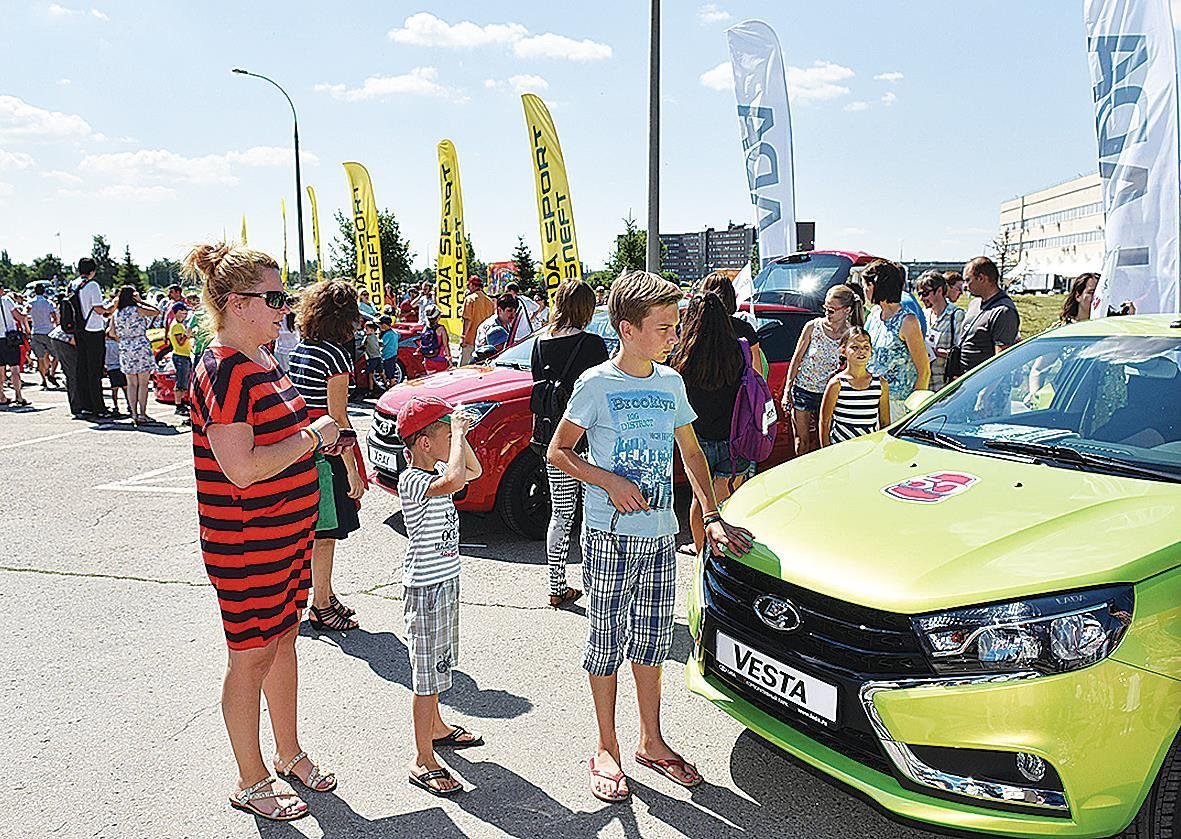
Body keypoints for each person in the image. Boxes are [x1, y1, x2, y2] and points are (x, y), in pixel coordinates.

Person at [547, 270, 754, 803]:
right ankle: (606, 746)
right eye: (663, 326)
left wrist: (711, 513)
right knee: (605, 643)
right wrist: (609, 479)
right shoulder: (595, 384)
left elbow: (690, 452)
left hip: (661, 536)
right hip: (608, 537)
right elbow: (558, 452)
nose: (673, 334)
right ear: (627, 329)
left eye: (674, 324)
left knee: (652, 644)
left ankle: (651, 741)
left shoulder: (670, 382)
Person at [184, 241, 341, 823]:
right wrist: (313, 437)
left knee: (282, 643)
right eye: (274, 298)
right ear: (233, 303)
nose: (286, 308)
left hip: (285, 537)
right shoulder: (224, 370)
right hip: (247, 544)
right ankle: (250, 778)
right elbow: (243, 469)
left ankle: (289, 752)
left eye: (286, 296)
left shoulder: (265, 363)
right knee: (250, 657)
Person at [396, 395, 484, 797]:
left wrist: (459, 436)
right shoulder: (413, 479)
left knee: (441, 664)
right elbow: (456, 481)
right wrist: (461, 431)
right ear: (426, 443)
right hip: (426, 587)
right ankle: (422, 758)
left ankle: (436, 727)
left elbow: (473, 470)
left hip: (446, 580)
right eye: (445, 435)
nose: (453, 440)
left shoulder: (436, 468)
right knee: (425, 676)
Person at [288, 280, 366, 633]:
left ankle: (325, 595)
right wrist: (352, 470)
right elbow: (338, 419)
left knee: (317, 531)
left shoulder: (303, 349)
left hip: (302, 449)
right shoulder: (335, 356)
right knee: (326, 534)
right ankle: (320, 606)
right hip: (327, 455)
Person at [529, 280, 609, 608]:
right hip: (590, 438)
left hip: (553, 439)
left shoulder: (538, 343)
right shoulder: (592, 344)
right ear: (586, 308)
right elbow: (604, 388)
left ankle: (556, 584)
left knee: (561, 513)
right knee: (593, 511)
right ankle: (595, 582)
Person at [668, 292, 760, 555]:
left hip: (696, 439)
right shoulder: (738, 350)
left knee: (701, 500)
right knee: (729, 500)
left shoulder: (682, 353)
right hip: (733, 437)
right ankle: (727, 554)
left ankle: (701, 554)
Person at [784, 284, 863, 455]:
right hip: (803, 389)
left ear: (847, 310)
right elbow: (796, 359)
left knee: (826, 442)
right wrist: (787, 390)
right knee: (801, 442)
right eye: (825, 307)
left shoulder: (851, 334)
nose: (827, 312)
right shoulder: (813, 327)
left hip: (831, 393)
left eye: (832, 309)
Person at [863, 260, 930, 418]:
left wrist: (914, 410)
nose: (864, 290)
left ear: (876, 285)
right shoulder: (874, 315)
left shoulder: (908, 321)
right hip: (871, 400)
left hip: (898, 406)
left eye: (866, 285)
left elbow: (924, 370)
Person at [819, 327, 890, 446]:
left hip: (869, 448)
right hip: (841, 448)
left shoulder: (880, 384)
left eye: (866, 347)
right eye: (855, 347)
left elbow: (885, 422)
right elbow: (824, 422)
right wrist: (826, 451)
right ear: (843, 350)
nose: (861, 351)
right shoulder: (837, 384)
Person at [957, 256, 1020, 375]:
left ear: (981, 278)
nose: (965, 286)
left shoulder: (1003, 311)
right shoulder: (974, 304)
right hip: (965, 380)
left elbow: (1001, 360)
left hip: (985, 383)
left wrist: (985, 393)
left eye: (968, 280)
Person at [112, 285, 162, 427]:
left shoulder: (117, 313)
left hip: (125, 346)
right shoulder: (137, 309)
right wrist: (141, 301)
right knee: (143, 383)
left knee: (132, 384)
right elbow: (156, 311)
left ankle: (133, 413)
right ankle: (142, 413)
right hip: (140, 344)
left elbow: (112, 333)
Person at [69, 258, 112, 419]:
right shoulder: (92, 285)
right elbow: (99, 309)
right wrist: (112, 307)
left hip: (78, 329)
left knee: (82, 369)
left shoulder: (73, 285)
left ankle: (86, 405)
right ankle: (99, 407)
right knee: (95, 370)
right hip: (93, 329)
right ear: (93, 271)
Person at [700, 271, 766, 375]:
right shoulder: (744, 329)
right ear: (731, 296)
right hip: (735, 389)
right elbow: (757, 372)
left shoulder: (693, 328)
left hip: (697, 388)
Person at [916, 271, 965, 389]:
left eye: (925, 293)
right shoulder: (923, 314)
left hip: (945, 386)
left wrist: (935, 352)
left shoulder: (957, 315)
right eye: (920, 294)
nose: (922, 298)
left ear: (939, 291)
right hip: (925, 385)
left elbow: (962, 354)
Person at [0, 286, 29, 407]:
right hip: (9, 338)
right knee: (14, 368)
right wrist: (26, 310)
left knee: (0, 369)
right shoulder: (6, 301)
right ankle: (18, 395)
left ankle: (1, 396)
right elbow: (19, 316)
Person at [28, 282, 60, 388]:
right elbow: (55, 317)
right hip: (48, 331)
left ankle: (43, 379)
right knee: (56, 355)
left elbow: (26, 314)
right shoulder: (48, 303)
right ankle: (51, 373)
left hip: (36, 331)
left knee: (40, 358)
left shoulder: (30, 303)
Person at [460, 276, 495, 366]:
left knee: (464, 367)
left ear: (472, 285)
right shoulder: (490, 301)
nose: (468, 287)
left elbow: (467, 320)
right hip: (483, 340)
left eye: (468, 285)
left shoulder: (470, 299)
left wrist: (463, 337)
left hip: (470, 339)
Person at [50, 324, 81, 416]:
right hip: (64, 338)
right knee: (74, 374)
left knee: (74, 373)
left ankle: (78, 404)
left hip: (61, 336)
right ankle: (77, 406)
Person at [169, 303, 194, 419]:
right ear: (177, 312)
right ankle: (179, 405)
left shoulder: (178, 325)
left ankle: (180, 404)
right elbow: (180, 342)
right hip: (181, 356)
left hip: (182, 355)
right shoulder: (177, 326)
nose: (185, 313)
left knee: (183, 381)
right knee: (181, 381)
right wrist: (188, 335)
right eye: (182, 311)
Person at [103, 319, 128, 417]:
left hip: (111, 368)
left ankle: (115, 406)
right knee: (125, 388)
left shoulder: (105, 346)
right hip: (120, 367)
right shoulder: (118, 344)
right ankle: (129, 405)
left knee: (114, 389)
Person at [418, 304, 451, 368]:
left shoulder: (425, 328)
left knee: (431, 377)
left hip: (428, 360)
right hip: (440, 360)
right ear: (438, 317)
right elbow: (446, 346)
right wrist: (450, 360)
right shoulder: (441, 329)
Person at [378, 315, 404, 384]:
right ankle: (391, 382)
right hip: (393, 355)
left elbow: (382, 343)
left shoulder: (388, 334)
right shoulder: (394, 333)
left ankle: (392, 384)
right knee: (391, 370)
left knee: (389, 372)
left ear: (384, 324)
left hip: (387, 356)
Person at [361, 320, 385, 392]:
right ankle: (386, 384)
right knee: (381, 372)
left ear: (371, 330)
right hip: (378, 357)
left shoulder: (366, 338)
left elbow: (362, 345)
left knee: (370, 374)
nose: (365, 331)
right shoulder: (376, 337)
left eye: (366, 329)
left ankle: (371, 389)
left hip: (371, 358)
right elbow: (380, 343)